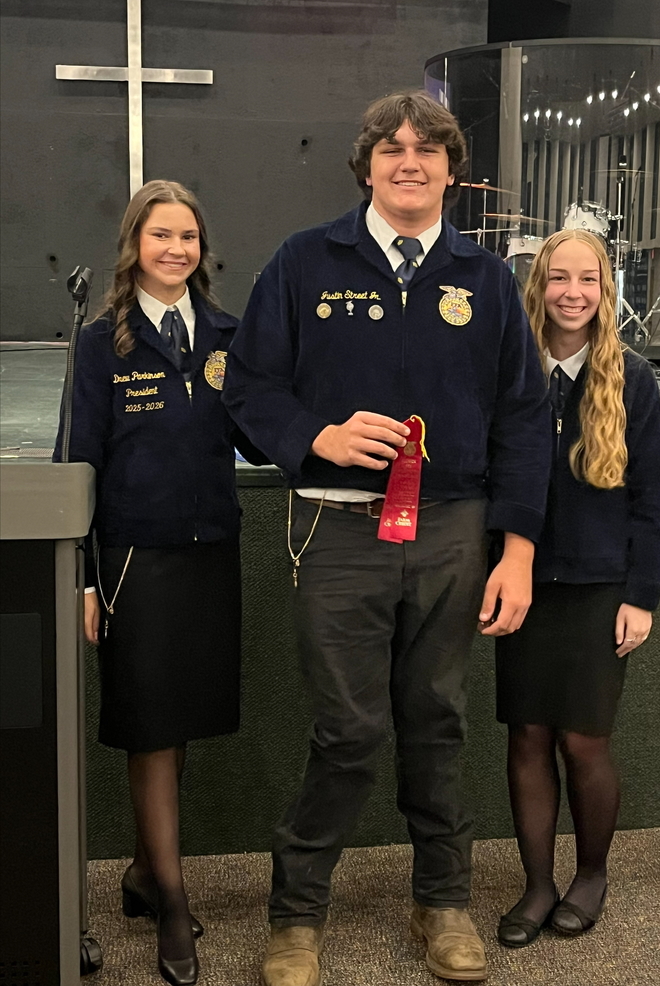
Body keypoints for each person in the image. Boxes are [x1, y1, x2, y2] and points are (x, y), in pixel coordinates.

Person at [223, 90, 550, 986]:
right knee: (347, 729)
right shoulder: (302, 262)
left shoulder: (483, 279)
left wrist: (516, 548)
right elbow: (247, 389)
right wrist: (313, 438)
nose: (411, 160)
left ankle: (440, 900)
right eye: (393, 147)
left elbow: (524, 420)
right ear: (366, 165)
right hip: (335, 529)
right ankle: (296, 917)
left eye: (429, 148)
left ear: (452, 169)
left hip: (453, 531)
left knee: (437, 722)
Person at [54, 180, 248, 986]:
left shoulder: (231, 337)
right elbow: (76, 463)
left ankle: (142, 870)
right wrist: (83, 579)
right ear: (134, 244)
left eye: (189, 237)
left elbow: (261, 431)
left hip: (211, 554)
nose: (176, 249)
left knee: (181, 720)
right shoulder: (101, 342)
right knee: (151, 728)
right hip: (135, 562)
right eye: (161, 235)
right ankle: (170, 898)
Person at [494, 229, 660, 950]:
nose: (573, 292)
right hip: (522, 588)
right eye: (559, 278)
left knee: (583, 743)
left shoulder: (633, 378)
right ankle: (537, 883)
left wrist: (643, 596)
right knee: (528, 737)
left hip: (602, 589)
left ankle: (590, 874)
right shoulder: (511, 375)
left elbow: (657, 502)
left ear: (607, 292)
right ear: (537, 286)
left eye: (589, 280)